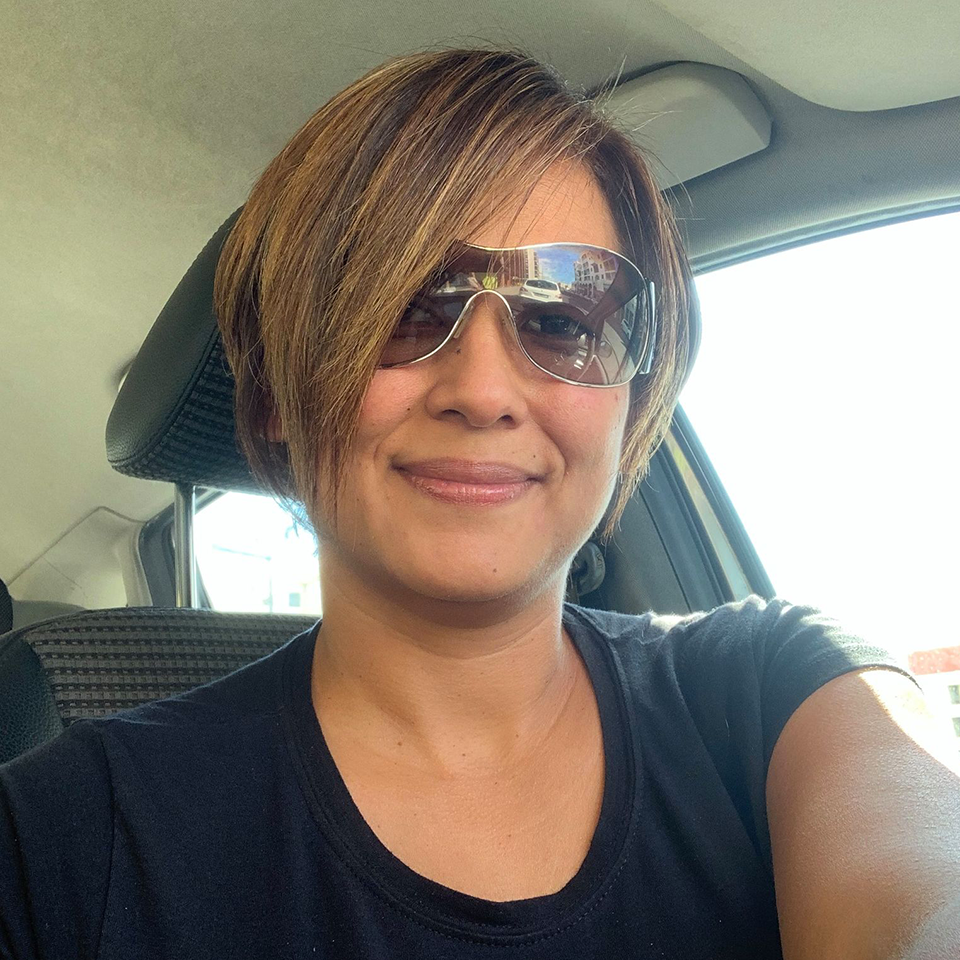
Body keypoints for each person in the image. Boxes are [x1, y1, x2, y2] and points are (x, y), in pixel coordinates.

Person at [2, 47, 959, 960]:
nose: (486, 390)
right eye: (400, 309)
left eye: (561, 321)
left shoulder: (780, 683)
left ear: (629, 405)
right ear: (273, 399)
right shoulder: (58, 842)